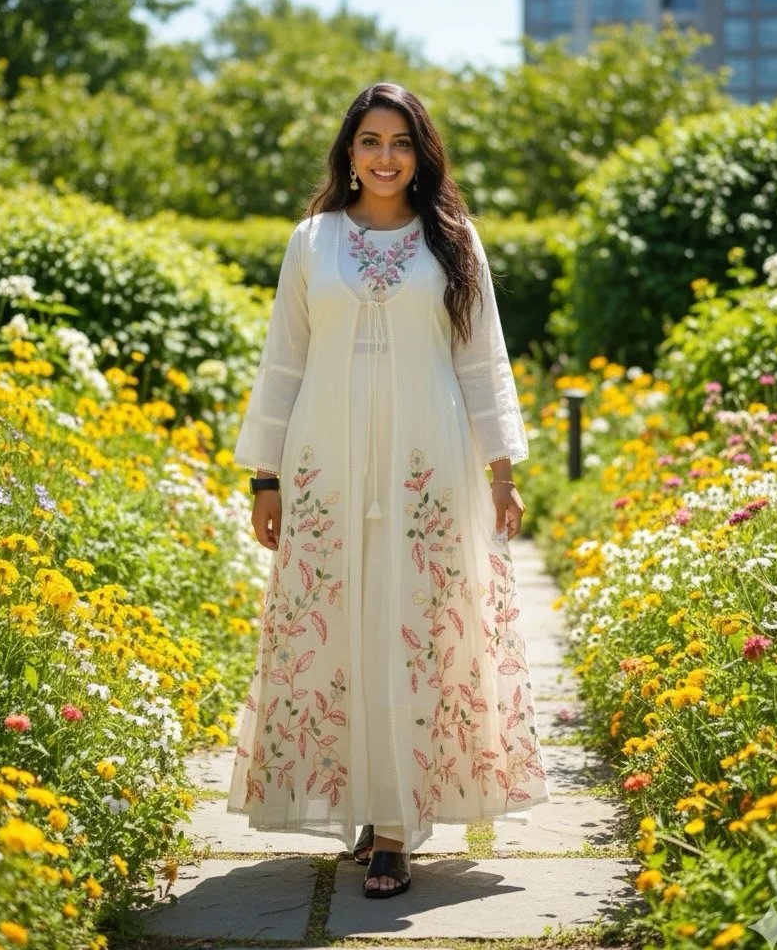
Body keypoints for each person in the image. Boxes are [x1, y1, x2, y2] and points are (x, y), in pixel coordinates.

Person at [226, 82, 551, 899]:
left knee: (414, 625)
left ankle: (396, 828)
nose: (384, 156)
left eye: (400, 142)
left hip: (427, 462)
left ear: (421, 152)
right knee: (343, 625)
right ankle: (365, 800)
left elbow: (482, 361)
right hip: (324, 465)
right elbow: (284, 360)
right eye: (370, 140)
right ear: (348, 151)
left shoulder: (453, 239)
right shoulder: (312, 240)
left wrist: (501, 471)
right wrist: (265, 477)